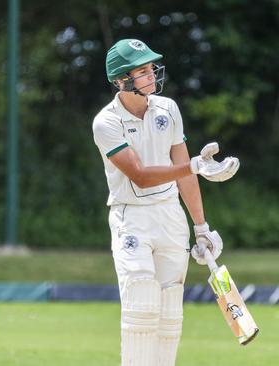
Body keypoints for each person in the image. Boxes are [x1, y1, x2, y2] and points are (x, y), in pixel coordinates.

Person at [92, 39, 240, 366]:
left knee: (170, 311)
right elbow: (141, 176)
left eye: (150, 68)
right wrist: (194, 167)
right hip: (131, 216)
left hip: (170, 215)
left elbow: (185, 172)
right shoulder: (106, 122)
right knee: (142, 305)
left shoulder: (168, 109)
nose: (151, 74)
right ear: (121, 79)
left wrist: (201, 228)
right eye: (142, 70)